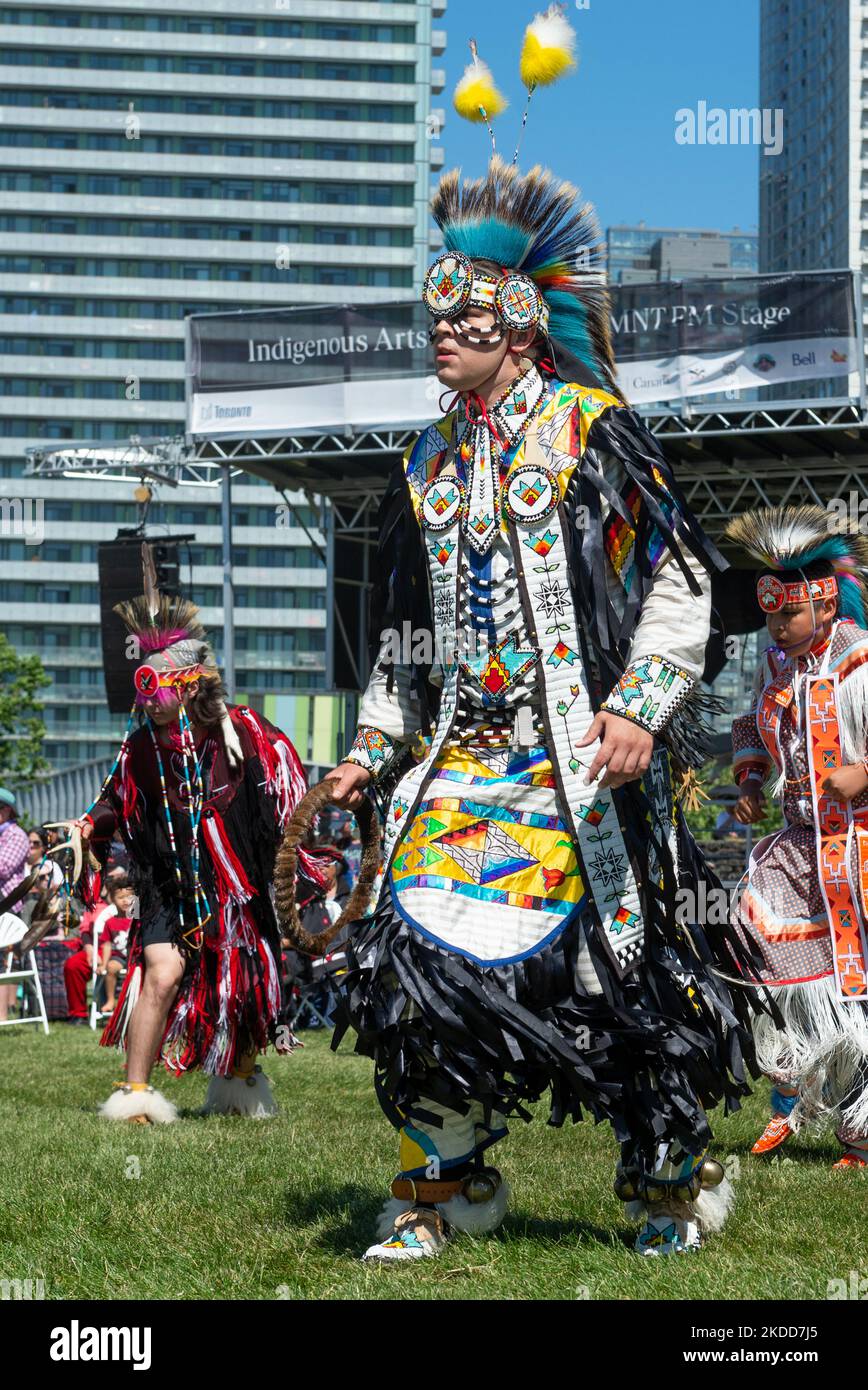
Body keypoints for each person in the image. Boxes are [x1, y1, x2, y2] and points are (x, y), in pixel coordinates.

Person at [321, 12, 762, 1262]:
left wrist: (638, 708)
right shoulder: (424, 461)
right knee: (415, 965)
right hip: (461, 766)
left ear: (518, 323)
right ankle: (445, 1186)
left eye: (459, 318)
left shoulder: (588, 431)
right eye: (433, 318)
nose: (438, 333)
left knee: (617, 977)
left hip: (583, 760)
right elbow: (404, 625)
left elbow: (679, 577)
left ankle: (664, 1183)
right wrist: (368, 745)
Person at [65, 560, 325, 1123]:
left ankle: (237, 1085)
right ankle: (134, 1097)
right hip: (169, 883)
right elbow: (117, 800)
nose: (148, 700)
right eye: (146, 690)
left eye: (158, 688)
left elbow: (284, 798)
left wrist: (288, 862)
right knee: (162, 972)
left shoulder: (247, 733)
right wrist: (90, 825)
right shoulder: (140, 749)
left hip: (237, 883)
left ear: (189, 689)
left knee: (243, 986)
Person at [729, 505, 868, 1169]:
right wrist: (753, 780)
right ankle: (790, 1082)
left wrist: (861, 771)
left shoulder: (857, 660)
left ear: (822, 605)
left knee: (857, 985)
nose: (776, 627)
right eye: (770, 616)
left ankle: (861, 1128)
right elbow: (753, 728)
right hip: (799, 844)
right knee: (754, 932)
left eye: (787, 615)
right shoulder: (780, 664)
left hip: (858, 846)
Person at [0, 787, 31, 1022]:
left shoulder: (16, 835)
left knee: (4, 961)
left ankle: (2, 1014)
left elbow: (3, 867)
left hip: (7, 905)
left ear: (6, 811)